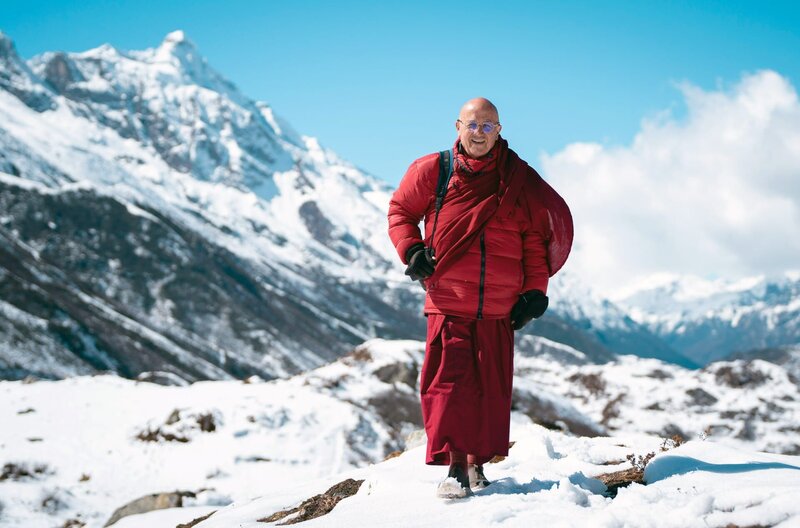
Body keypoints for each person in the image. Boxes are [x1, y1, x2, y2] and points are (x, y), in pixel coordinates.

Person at [387, 97, 573, 498]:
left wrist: (535, 291)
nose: (479, 134)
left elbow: (534, 240)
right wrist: (412, 250)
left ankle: (477, 465)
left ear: (499, 131)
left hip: (498, 306)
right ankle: (454, 468)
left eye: (488, 126)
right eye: (473, 125)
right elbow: (400, 211)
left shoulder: (517, 180)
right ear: (457, 127)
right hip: (449, 300)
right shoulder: (433, 171)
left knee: (490, 389)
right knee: (448, 386)